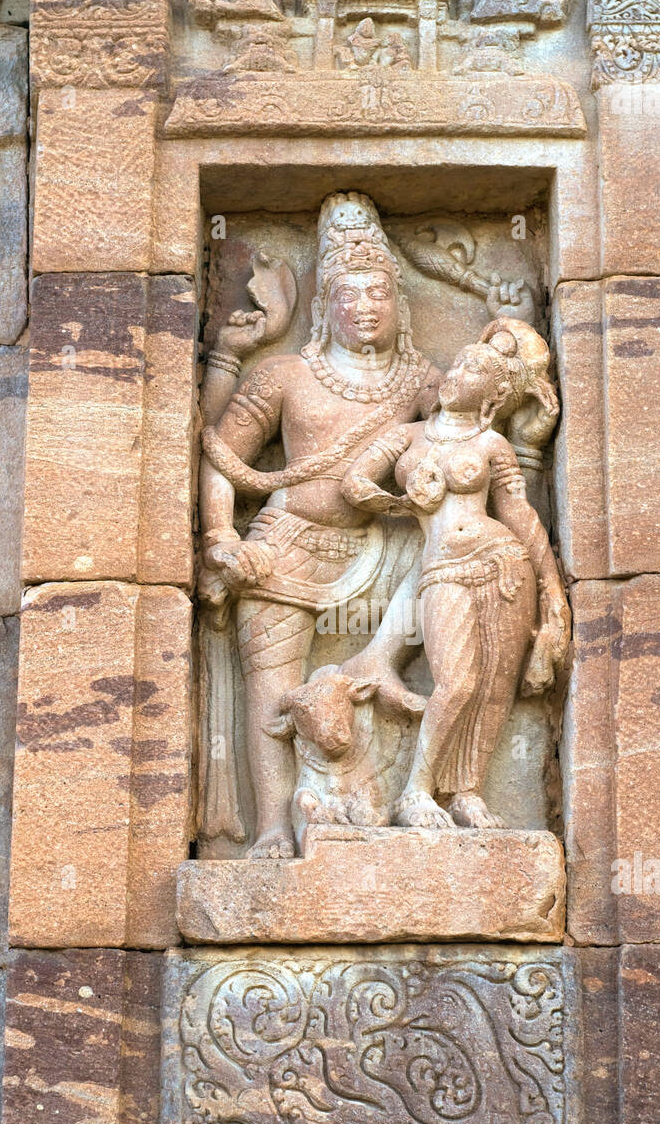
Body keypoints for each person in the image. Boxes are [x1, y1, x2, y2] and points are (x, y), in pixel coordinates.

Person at [199, 192, 442, 857]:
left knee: (457, 570)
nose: (365, 307)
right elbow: (221, 458)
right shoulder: (285, 375)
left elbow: (466, 431)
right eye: (350, 294)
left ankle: (412, 789)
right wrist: (221, 534)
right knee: (274, 697)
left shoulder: (421, 380)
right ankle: (277, 826)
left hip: (381, 551)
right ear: (324, 306)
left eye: (379, 295)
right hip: (285, 550)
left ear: (400, 304)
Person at [342, 319, 570, 829]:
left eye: (472, 370)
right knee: (458, 682)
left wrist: (552, 591)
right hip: (443, 567)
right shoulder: (409, 437)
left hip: (504, 564)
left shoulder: (492, 445)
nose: (456, 372)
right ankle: (415, 792)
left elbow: (519, 513)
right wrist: (400, 503)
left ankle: (466, 791)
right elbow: (353, 482)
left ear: (491, 398)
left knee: (495, 686)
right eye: (459, 362)